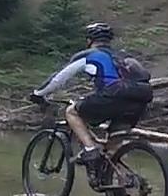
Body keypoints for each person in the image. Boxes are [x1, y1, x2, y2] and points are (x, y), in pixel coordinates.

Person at [28, 22, 153, 179]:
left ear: (89, 40)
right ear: (109, 40)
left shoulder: (89, 55)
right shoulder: (124, 56)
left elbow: (58, 79)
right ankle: (118, 185)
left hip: (113, 96)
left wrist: (38, 94)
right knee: (113, 146)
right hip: (140, 100)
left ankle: (90, 149)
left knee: (72, 112)